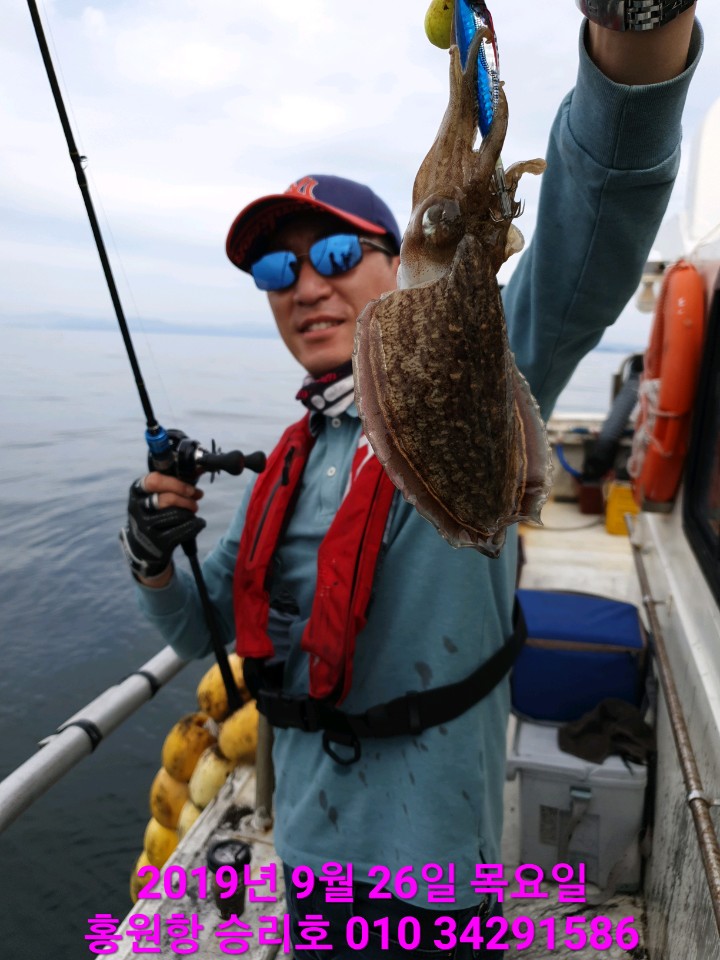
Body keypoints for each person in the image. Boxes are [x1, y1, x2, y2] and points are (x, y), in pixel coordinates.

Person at [120, 5, 702, 957]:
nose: (306, 286)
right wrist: (151, 558)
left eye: (336, 255)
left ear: (398, 266)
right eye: (276, 270)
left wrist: (635, 33)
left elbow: (590, 232)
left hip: (435, 862)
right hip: (308, 847)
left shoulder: (489, 363)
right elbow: (202, 628)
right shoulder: (289, 462)